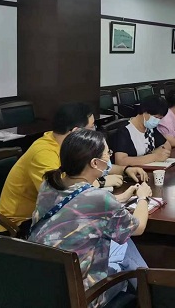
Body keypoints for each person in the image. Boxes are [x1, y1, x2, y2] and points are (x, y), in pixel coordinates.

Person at [29, 129, 151, 308]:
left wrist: (119, 198)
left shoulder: (49, 184)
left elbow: (78, 205)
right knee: (126, 244)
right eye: (107, 153)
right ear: (95, 163)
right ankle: (151, 294)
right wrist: (143, 198)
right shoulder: (99, 199)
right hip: (83, 295)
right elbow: (138, 228)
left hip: (44, 283)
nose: (109, 158)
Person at [0, 102, 148, 232]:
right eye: (91, 127)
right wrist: (102, 182)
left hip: (59, 213)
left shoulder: (69, 145)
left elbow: (95, 166)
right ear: (77, 131)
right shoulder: (43, 153)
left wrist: (124, 169)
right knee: (104, 231)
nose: (94, 131)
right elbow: (64, 193)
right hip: (25, 223)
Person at [114, 95, 172, 166]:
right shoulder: (125, 131)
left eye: (160, 118)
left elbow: (167, 145)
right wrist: (153, 157)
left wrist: (153, 154)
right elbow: (120, 161)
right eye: (156, 117)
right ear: (145, 112)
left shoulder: (150, 128)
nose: (157, 121)